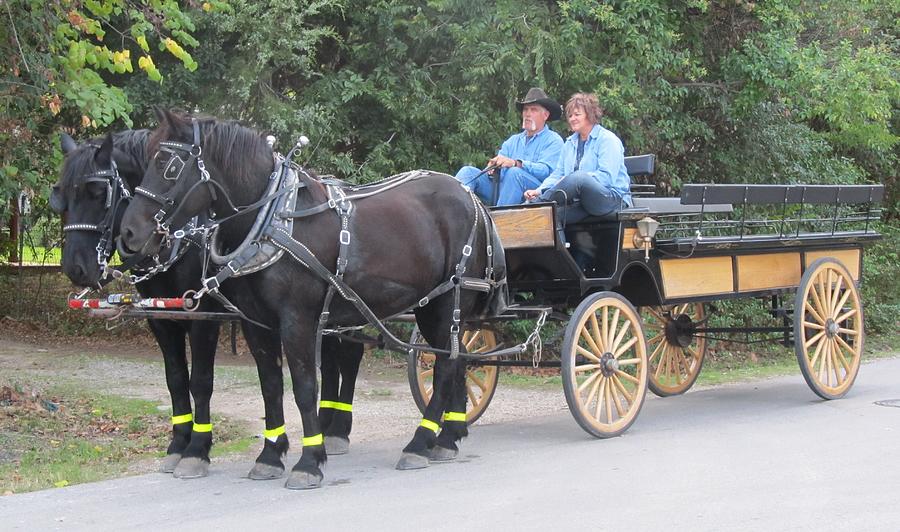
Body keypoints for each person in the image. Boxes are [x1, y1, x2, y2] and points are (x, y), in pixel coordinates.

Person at [524, 93, 632, 223]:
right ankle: (560, 242)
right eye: (570, 116)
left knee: (579, 177)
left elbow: (606, 178)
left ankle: (538, 204)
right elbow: (558, 174)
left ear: (590, 114)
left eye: (577, 114)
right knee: (550, 217)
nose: (572, 119)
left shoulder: (607, 140)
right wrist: (539, 190)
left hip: (612, 199)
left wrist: (573, 180)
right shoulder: (569, 143)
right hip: (581, 201)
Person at [455, 88, 564, 206]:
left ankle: (499, 222)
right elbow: (500, 170)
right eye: (525, 109)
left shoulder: (554, 140)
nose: (527, 114)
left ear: (545, 115)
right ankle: (456, 217)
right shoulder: (513, 141)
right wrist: (493, 168)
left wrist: (517, 163)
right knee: (468, 172)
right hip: (503, 190)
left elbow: (547, 172)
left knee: (515, 173)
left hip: (535, 194)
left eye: (533, 110)